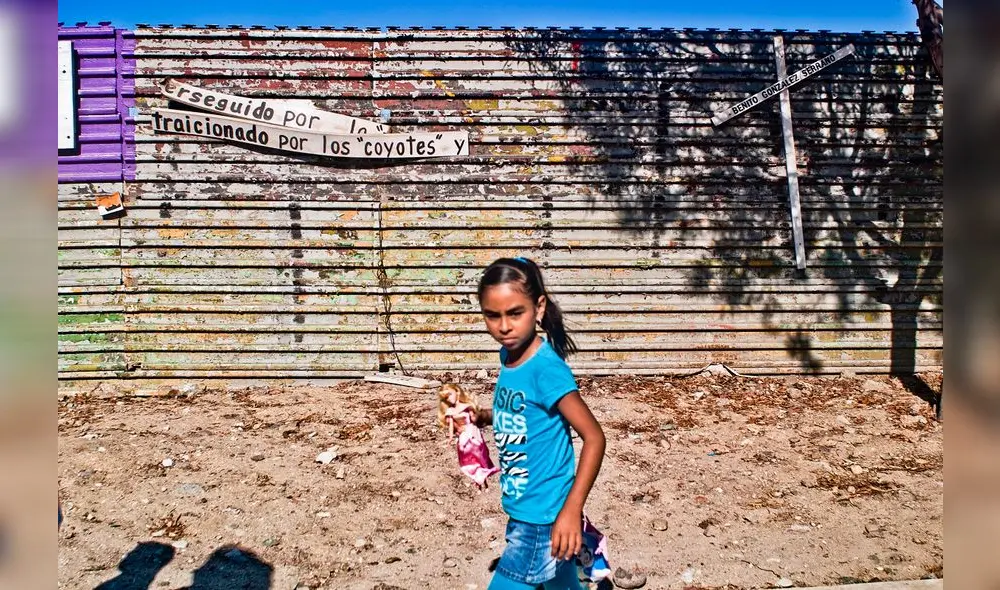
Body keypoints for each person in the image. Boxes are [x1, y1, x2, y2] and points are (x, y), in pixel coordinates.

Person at [474, 256, 606, 590]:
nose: (504, 326)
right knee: (561, 583)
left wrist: (571, 511)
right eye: (493, 315)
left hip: (544, 516)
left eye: (515, 313)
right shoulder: (510, 356)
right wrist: (485, 417)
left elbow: (594, 437)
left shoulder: (546, 369)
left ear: (539, 307)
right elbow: (524, 412)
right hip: (525, 505)